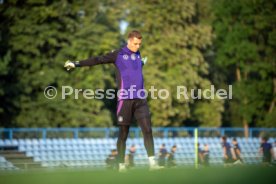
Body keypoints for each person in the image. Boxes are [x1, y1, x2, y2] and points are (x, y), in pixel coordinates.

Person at [64, 30, 160, 172]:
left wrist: (142, 63)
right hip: (125, 100)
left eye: (139, 44)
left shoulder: (138, 55)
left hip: (140, 99)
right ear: (129, 41)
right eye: (135, 44)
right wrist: (76, 64)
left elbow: (134, 70)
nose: (137, 46)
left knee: (147, 130)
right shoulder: (118, 54)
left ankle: (153, 164)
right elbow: (97, 60)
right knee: (123, 134)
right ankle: (121, 166)